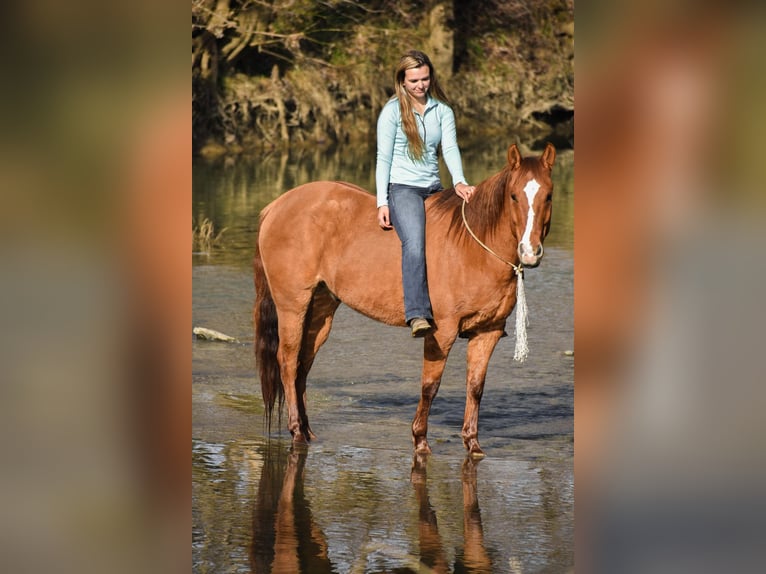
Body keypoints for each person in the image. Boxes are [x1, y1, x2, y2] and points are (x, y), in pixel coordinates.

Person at [376, 49, 476, 337]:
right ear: (402, 82)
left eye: (425, 78)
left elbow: (450, 149)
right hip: (403, 188)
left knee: (462, 238)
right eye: (414, 80)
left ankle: (468, 310)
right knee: (416, 243)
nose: (421, 85)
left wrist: (459, 181)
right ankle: (417, 313)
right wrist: (382, 201)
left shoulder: (442, 111)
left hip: (435, 188)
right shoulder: (392, 112)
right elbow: (383, 159)